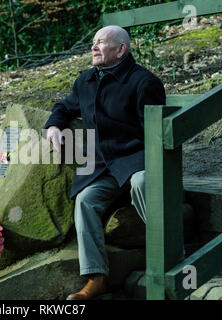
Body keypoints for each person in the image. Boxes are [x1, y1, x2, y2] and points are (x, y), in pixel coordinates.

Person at [43, 25, 166, 300]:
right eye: (93, 43)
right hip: (101, 167)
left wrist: (149, 165)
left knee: (143, 181)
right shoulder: (85, 80)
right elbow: (64, 106)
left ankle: (169, 256)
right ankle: (96, 278)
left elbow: (156, 136)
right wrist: (53, 126)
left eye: (100, 43)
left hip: (136, 159)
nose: (93, 47)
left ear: (121, 50)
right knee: (85, 199)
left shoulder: (144, 82)